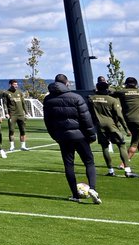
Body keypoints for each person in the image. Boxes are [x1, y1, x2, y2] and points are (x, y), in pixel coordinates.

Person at [42, 73, 100, 204]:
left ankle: (75, 194)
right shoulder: (76, 97)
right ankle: (93, 188)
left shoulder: (48, 100)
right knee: (89, 162)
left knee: (69, 165)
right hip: (80, 136)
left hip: (63, 137)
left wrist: (55, 136)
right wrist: (91, 136)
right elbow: (86, 119)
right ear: (67, 83)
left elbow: (48, 121)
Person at [89, 80, 137, 178]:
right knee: (121, 145)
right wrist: (126, 129)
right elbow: (119, 116)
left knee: (105, 147)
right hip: (112, 126)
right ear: (107, 88)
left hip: (99, 126)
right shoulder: (112, 100)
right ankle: (127, 170)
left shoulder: (91, 99)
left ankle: (110, 170)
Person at [0, 79, 30, 151]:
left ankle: (23, 146)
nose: (16, 86)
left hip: (21, 115)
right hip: (12, 115)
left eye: (17, 84)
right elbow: (4, 104)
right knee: (11, 131)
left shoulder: (20, 92)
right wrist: (6, 113)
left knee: (23, 130)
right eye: (14, 84)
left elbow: (23, 103)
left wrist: (26, 113)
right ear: (10, 85)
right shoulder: (6, 93)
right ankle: (12, 146)